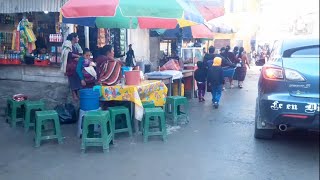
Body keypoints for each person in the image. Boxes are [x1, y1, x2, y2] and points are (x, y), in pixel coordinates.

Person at [60, 33, 82, 101]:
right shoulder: (67, 44)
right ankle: (74, 94)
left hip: (75, 64)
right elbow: (68, 54)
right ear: (73, 38)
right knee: (73, 73)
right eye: (77, 37)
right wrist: (77, 56)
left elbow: (79, 53)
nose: (78, 39)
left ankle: (76, 92)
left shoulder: (75, 45)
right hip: (69, 65)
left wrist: (79, 57)